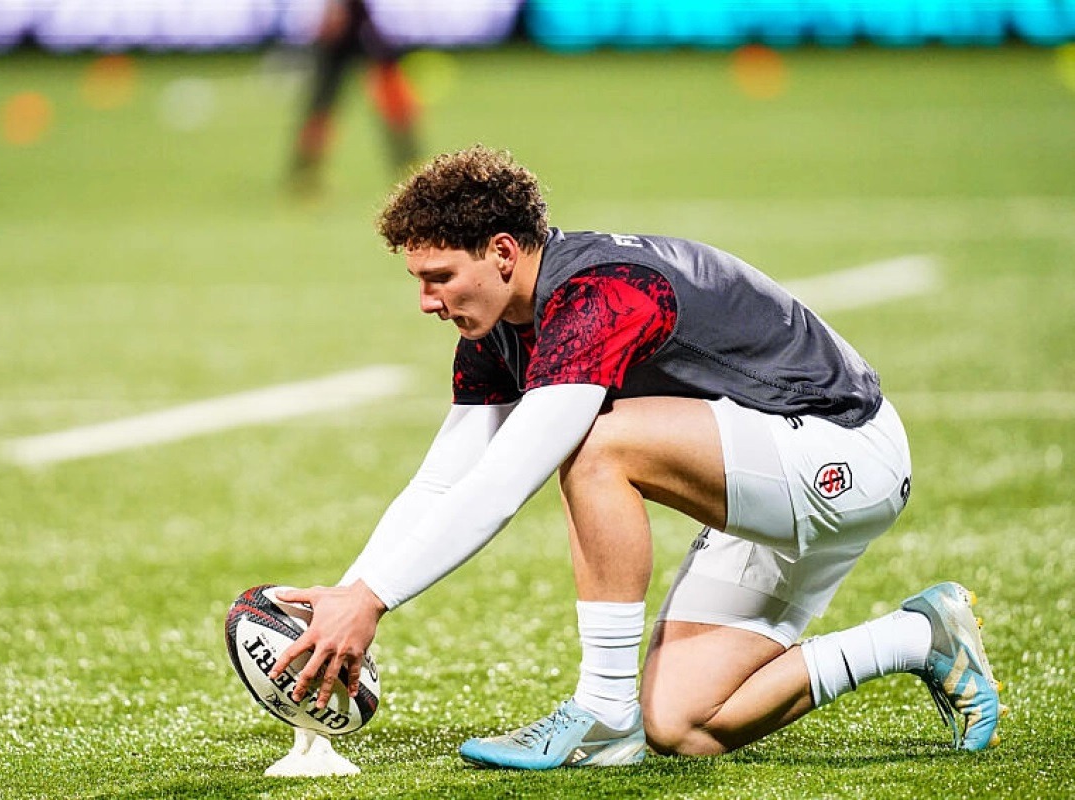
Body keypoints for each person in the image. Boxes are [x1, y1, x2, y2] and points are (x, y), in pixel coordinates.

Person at [269, 145, 1004, 768]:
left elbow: (505, 481)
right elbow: (442, 481)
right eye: (418, 281)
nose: (427, 301)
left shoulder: (599, 295)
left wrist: (373, 601)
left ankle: (601, 711)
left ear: (502, 253)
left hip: (844, 453)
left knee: (594, 443)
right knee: (685, 724)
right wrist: (346, 598)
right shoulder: (494, 328)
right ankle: (919, 636)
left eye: (440, 277)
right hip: (770, 473)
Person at [288, 0, 420, 194]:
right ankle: (305, 173)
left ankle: (410, 166)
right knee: (323, 106)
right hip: (349, 25)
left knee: (390, 100)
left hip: (359, 23)